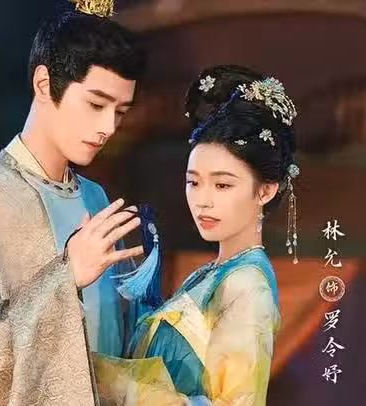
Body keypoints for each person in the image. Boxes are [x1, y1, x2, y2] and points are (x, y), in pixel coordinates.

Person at [0, 1, 148, 405]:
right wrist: (66, 277)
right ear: (44, 84)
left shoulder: (96, 198)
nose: (108, 127)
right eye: (96, 104)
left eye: (120, 111)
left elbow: (119, 342)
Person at [93, 65, 300, 406]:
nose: (203, 200)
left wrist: (111, 381)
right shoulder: (215, 272)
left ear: (265, 190)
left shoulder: (247, 285)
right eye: (194, 182)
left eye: (222, 185)